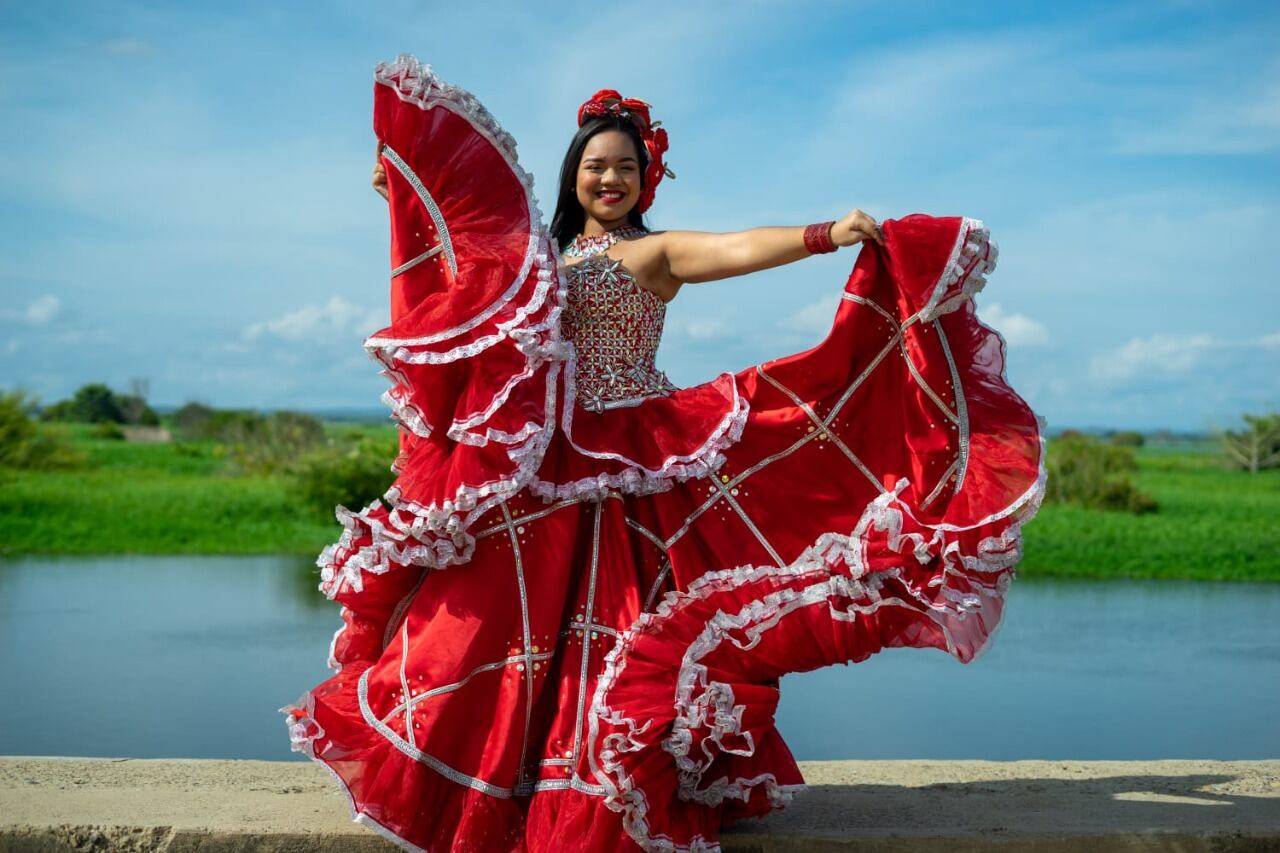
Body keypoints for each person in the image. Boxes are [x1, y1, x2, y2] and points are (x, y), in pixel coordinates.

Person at [284, 55, 1044, 853]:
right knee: (492, 621)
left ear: (646, 180)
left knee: (621, 629)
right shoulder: (534, 261)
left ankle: (607, 782)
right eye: (595, 165)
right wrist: (404, 195)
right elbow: (458, 270)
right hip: (546, 457)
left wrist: (826, 234)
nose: (609, 179)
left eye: (625, 167)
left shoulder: (653, 253)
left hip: (635, 460)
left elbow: (736, 247)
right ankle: (504, 784)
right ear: (573, 174)